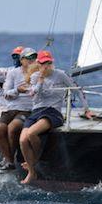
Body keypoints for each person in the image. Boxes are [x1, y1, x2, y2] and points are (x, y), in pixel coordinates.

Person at [19, 50, 91, 184]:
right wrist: (40, 81)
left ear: (52, 63)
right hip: (36, 111)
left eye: (49, 63)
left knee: (31, 133)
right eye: (43, 63)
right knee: (23, 140)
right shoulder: (35, 76)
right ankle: (33, 170)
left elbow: (77, 89)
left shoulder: (60, 75)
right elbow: (34, 94)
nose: (46, 66)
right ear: (38, 64)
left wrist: (86, 109)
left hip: (52, 112)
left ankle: (32, 164)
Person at [0, 47, 39, 170]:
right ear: (22, 59)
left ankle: (9, 160)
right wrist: (17, 90)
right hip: (11, 108)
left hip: (28, 108)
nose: (32, 60)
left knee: (12, 128)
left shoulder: (38, 73)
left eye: (34, 57)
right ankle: (8, 161)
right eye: (28, 58)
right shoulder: (13, 73)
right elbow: (6, 94)